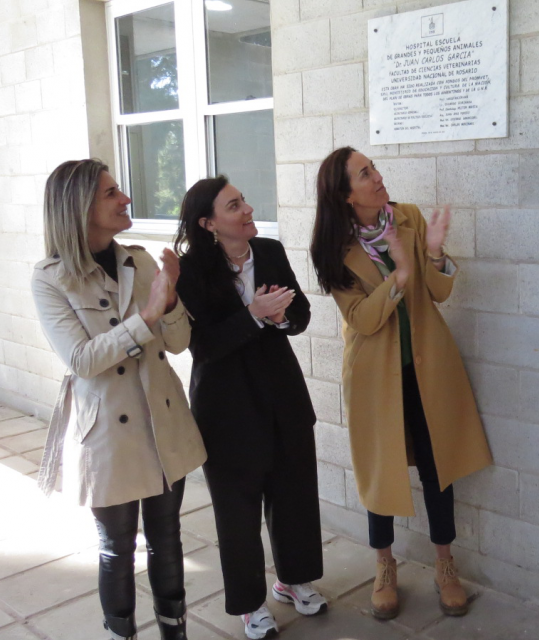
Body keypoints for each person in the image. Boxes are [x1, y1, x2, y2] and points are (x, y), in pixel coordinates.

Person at [310, 147, 493, 620]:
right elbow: (362, 319)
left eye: (374, 167)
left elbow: (438, 293)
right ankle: (384, 566)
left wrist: (433, 252)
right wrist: (399, 276)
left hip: (428, 367)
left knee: (438, 464)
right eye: (364, 174)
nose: (377, 177)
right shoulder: (332, 250)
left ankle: (445, 564)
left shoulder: (407, 217)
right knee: (381, 470)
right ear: (345, 195)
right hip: (374, 376)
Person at [31, 159, 206, 640]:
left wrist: (171, 301)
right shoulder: (50, 278)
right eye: (111, 193)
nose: (125, 198)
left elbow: (179, 343)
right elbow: (82, 360)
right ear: (78, 206)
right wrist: (146, 317)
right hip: (108, 431)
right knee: (117, 548)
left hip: (162, 420)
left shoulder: (140, 260)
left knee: (167, 540)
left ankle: (175, 633)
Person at [174, 177, 325, 639]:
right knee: (237, 514)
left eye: (243, 201)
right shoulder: (191, 269)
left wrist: (282, 318)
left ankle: (293, 580)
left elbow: (301, 315)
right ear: (208, 223)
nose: (247, 209)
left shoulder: (270, 251)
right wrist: (254, 315)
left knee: (295, 495)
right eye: (234, 205)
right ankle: (250, 604)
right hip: (226, 408)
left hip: (283, 396)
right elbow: (201, 346)